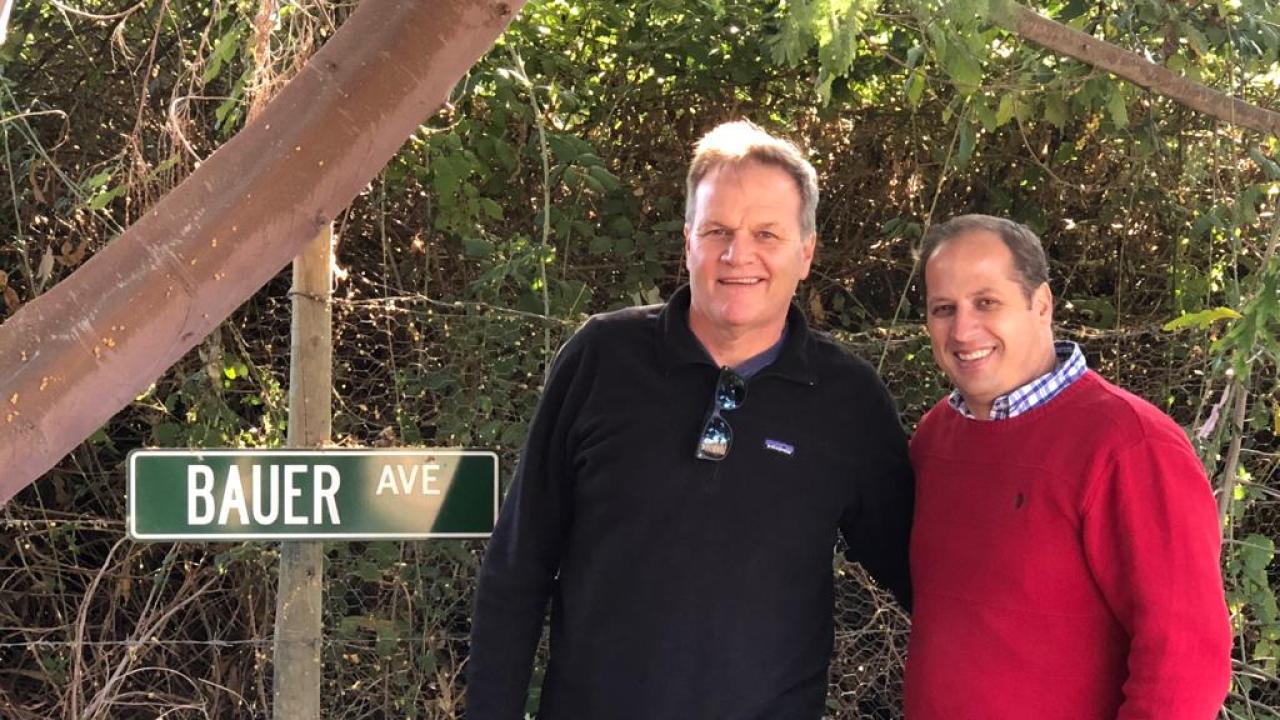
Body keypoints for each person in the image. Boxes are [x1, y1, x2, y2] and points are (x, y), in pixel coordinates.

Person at [466, 120, 914, 719]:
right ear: (687, 241)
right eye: (718, 231)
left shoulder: (848, 400)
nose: (739, 255)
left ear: (806, 252)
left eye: (767, 234)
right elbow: (517, 566)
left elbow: (923, 574)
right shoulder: (602, 358)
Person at [906, 214, 1233, 719]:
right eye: (943, 308)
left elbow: (1185, 658)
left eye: (986, 302)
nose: (963, 329)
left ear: (1041, 304)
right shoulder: (936, 436)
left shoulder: (1130, 445)